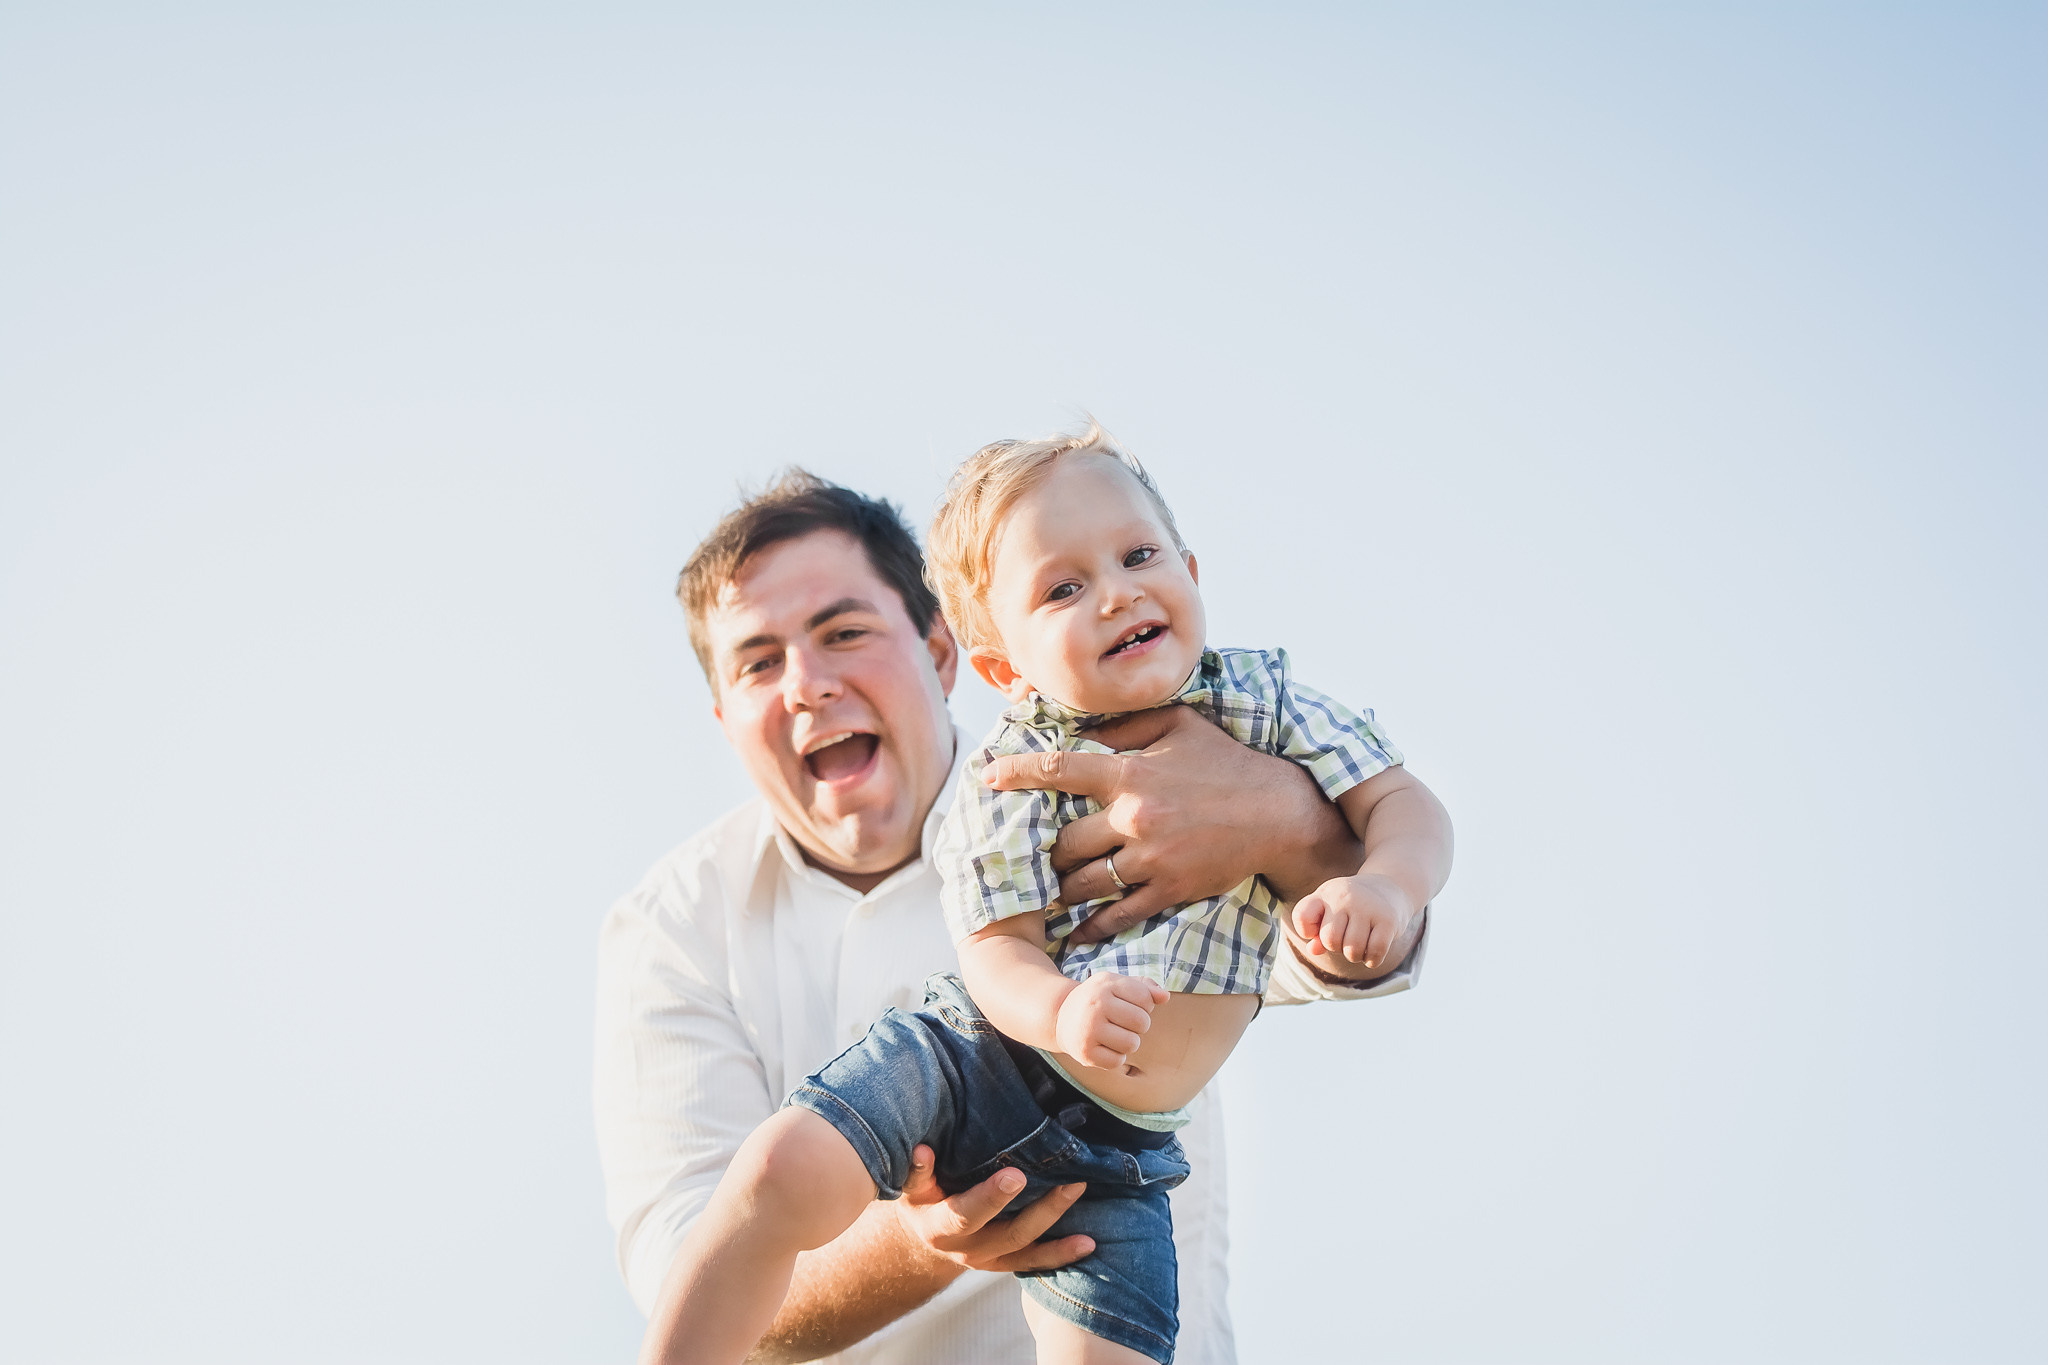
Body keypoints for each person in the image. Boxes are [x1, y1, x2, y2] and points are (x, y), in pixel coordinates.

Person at [634, 427, 1453, 1365]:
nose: (1117, 591)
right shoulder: (1016, 774)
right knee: (779, 1169)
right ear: (1002, 665)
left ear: (942, 653)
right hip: (973, 1063)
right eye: (759, 661)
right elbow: (997, 951)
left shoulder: (1266, 717)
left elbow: (1383, 853)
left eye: (844, 631)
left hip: (1122, 1154)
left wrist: (1356, 870)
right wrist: (1054, 1024)